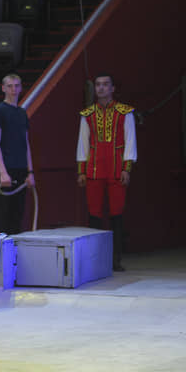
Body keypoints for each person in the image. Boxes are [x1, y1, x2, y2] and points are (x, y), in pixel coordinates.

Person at [76, 73, 137, 271]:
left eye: (105, 85)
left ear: (112, 88)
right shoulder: (87, 114)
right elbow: (83, 144)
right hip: (93, 169)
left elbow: (130, 141)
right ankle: (95, 260)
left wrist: (127, 167)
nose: (101, 88)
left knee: (116, 215)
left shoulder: (124, 112)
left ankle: (115, 259)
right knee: (94, 215)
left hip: (116, 169)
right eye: (98, 85)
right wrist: (81, 171)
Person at [0, 73, 36, 235]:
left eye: (16, 86)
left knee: (17, 216)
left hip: (21, 169)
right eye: (10, 86)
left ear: (21, 88)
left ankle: (14, 256)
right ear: (3, 88)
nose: (13, 89)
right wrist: (3, 173)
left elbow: (26, 143)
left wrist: (30, 172)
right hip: (5, 170)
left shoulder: (22, 113)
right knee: (0, 216)